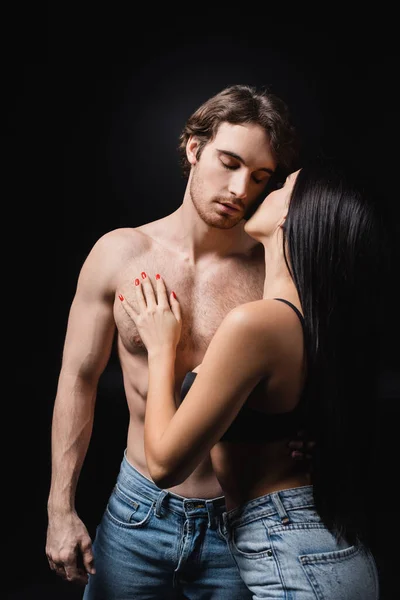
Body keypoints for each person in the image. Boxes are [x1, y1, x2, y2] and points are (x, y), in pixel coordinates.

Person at [46, 83, 312, 599]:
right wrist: (60, 508)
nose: (239, 189)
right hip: (138, 513)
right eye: (229, 162)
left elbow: (317, 373)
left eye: (259, 177)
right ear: (194, 148)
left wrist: (316, 434)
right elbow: (77, 380)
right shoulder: (119, 254)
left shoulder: (275, 273)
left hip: (241, 522)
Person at [118, 156, 383, 599]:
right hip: (326, 548)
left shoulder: (256, 324)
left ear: (290, 219)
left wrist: (163, 347)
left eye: (280, 187)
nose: (261, 191)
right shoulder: (315, 322)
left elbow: (164, 464)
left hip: (295, 554)